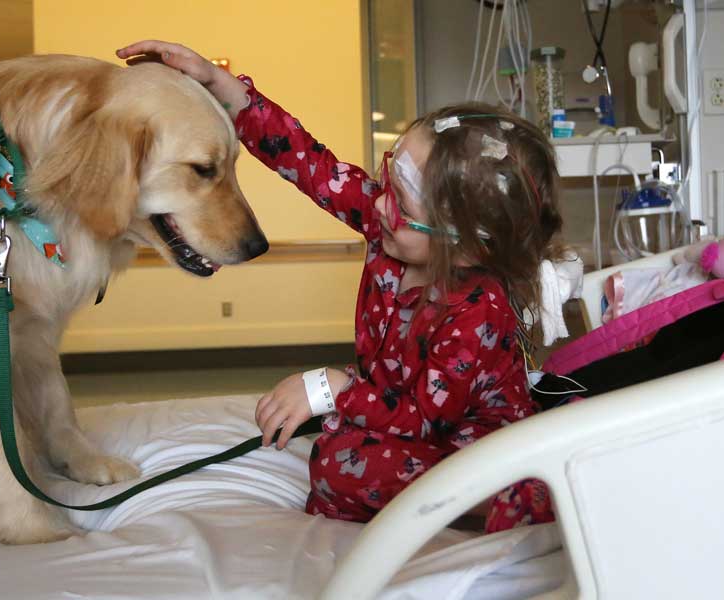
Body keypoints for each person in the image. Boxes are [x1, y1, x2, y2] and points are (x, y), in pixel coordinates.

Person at [124, 40, 564, 531]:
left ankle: (521, 495)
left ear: (467, 247)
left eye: (401, 205)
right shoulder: (390, 232)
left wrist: (335, 389)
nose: (378, 206)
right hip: (404, 417)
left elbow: (425, 419)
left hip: (465, 440)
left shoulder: (478, 310)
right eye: (386, 181)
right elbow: (310, 164)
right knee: (336, 452)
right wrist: (224, 87)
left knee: (342, 464)